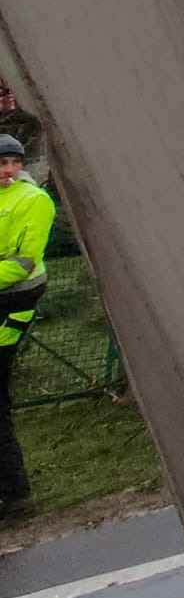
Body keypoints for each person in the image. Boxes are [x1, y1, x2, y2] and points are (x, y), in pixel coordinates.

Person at [0, 136, 55, 516]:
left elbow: (23, 261)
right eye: (2, 163)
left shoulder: (33, 201)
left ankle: (16, 495)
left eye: (14, 163)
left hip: (13, 304)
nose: (9, 171)